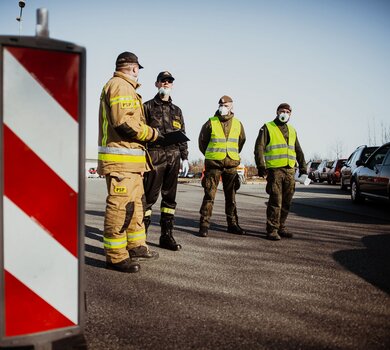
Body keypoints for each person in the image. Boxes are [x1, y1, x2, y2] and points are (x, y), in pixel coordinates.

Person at [97, 52, 161, 273]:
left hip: (131, 162)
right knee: (120, 207)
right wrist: (152, 134)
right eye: (137, 70)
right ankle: (115, 256)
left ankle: (135, 246)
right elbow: (123, 123)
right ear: (134, 68)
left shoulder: (126, 88)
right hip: (120, 160)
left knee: (135, 207)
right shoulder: (120, 86)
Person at [143, 71, 189, 251]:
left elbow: (182, 136)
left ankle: (166, 235)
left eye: (169, 81)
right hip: (154, 156)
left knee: (170, 198)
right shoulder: (146, 106)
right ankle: (141, 237)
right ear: (156, 84)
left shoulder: (177, 110)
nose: (166, 83)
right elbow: (141, 134)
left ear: (172, 85)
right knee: (149, 197)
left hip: (173, 156)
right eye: (163, 81)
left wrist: (184, 157)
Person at [254, 103, 307, 240]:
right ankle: (272, 229)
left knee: (287, 201)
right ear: (277, 112)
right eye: (282, 111)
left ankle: (281, 226)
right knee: (275, 200)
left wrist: (303, 168)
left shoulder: (292, 130)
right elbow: (259, 148)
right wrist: (261, 166)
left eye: (287, 111)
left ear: (290, 114)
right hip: (275, 170)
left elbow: (298, 150)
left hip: (290, 170)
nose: (285, 113)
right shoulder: (267, 127)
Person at [198, 95, 246, 237]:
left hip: (231, 165)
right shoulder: (210, 123)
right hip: (214, 166)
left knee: (231, 197)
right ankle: (204, 225)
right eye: (221, 104)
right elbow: (202, 143)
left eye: (226, 105)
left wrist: (231, 155)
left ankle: (233, 224)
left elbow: (241, 142)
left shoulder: (238, 124)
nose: (223, 107)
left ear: (232, 106)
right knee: (209, 196)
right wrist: (213, 156)